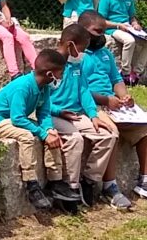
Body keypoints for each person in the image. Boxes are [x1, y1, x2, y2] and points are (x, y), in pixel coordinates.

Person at [75, 10, 147, 206]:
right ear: (82, 31)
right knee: (112, 131)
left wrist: (123, 96)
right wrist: (105, 100)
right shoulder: (77, 57)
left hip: (113, 103)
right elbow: (78, 90)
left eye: (103, 32)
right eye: (96, 32)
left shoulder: (105, 54)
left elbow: (116, 79)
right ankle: (110, 186)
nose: (100, 36)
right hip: (92, 105)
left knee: (146, 128)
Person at [0, 49, 73, 213]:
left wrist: (49, 130)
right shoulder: (22, 87)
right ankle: (31, 184)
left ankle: (56, 181)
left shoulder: (44, 87)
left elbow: (44, 113)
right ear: (49, 74)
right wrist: (42, 133)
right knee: (26, 136)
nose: (61, 77)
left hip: (14, 119)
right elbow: (17, 118)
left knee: (51, 136)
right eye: (60, 73)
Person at [44, 24, 117, 213]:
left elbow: (84, 90)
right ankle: (70, 187)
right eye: (82, 49)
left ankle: (90, 180)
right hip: (54, 114)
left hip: (76, 114)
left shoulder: (76, 64)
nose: (83, 53)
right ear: (71, 45)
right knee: (75, 139)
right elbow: (41, 100)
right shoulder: (49, 63)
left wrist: (93, 116)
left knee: (108, 135)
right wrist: (60, 112)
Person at [96, 0, 147, 85]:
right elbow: (101, 20)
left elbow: (132, 17)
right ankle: (125, 73)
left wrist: (135, 24)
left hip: (128, 27)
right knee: (129, 41)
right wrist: (118, 25)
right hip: (113, 28)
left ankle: (137, 72)